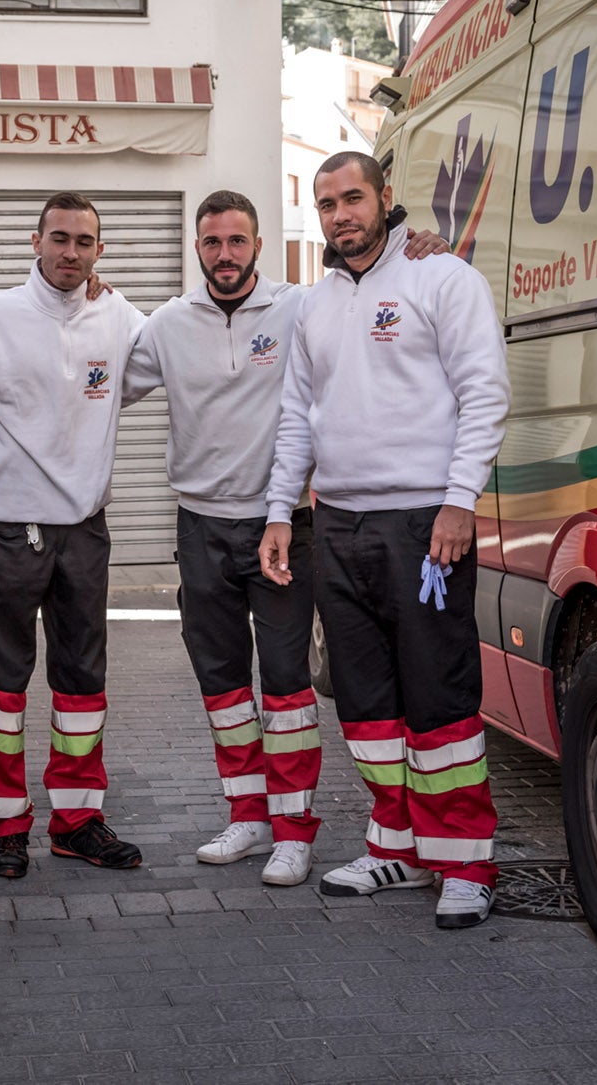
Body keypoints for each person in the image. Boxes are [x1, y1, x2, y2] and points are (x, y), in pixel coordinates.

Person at [123, 191, 451, 889]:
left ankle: (295, 830)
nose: (225, 255)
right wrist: (88, 304)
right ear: (197, 248)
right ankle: (248, 815)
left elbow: (371, 293)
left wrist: (415, 247)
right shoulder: (167, 326)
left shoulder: (302, 306)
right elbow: (101, 378)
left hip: (282, 528)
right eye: (212, 243)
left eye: (237, 241)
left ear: (259, 244)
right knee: (222, 684)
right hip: (200, 525)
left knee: (287, 686)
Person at [259, 151, 511, 930]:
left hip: (423, 525)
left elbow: (484, 391)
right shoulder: (315, 303)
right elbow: (299, 412)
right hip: (337, 524)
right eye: (326, 203)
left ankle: (465, 860)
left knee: (437, 694)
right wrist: (278, 510)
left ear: (385, 199)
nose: (341, 215)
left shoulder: (443, 279)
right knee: (366, 702)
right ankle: (396, 843)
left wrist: (459, 501)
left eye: (353, 198)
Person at [0, 192, 147, 879]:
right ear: (34, 240)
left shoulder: (120, 318)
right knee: (3, 686)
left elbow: (184, 350)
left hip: (85, 531)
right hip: (7, 533)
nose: (70, 252)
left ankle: (78, 821)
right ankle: (4, 828)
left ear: (100, 250)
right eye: (58, 238)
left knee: (83, 683)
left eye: (84, 241)